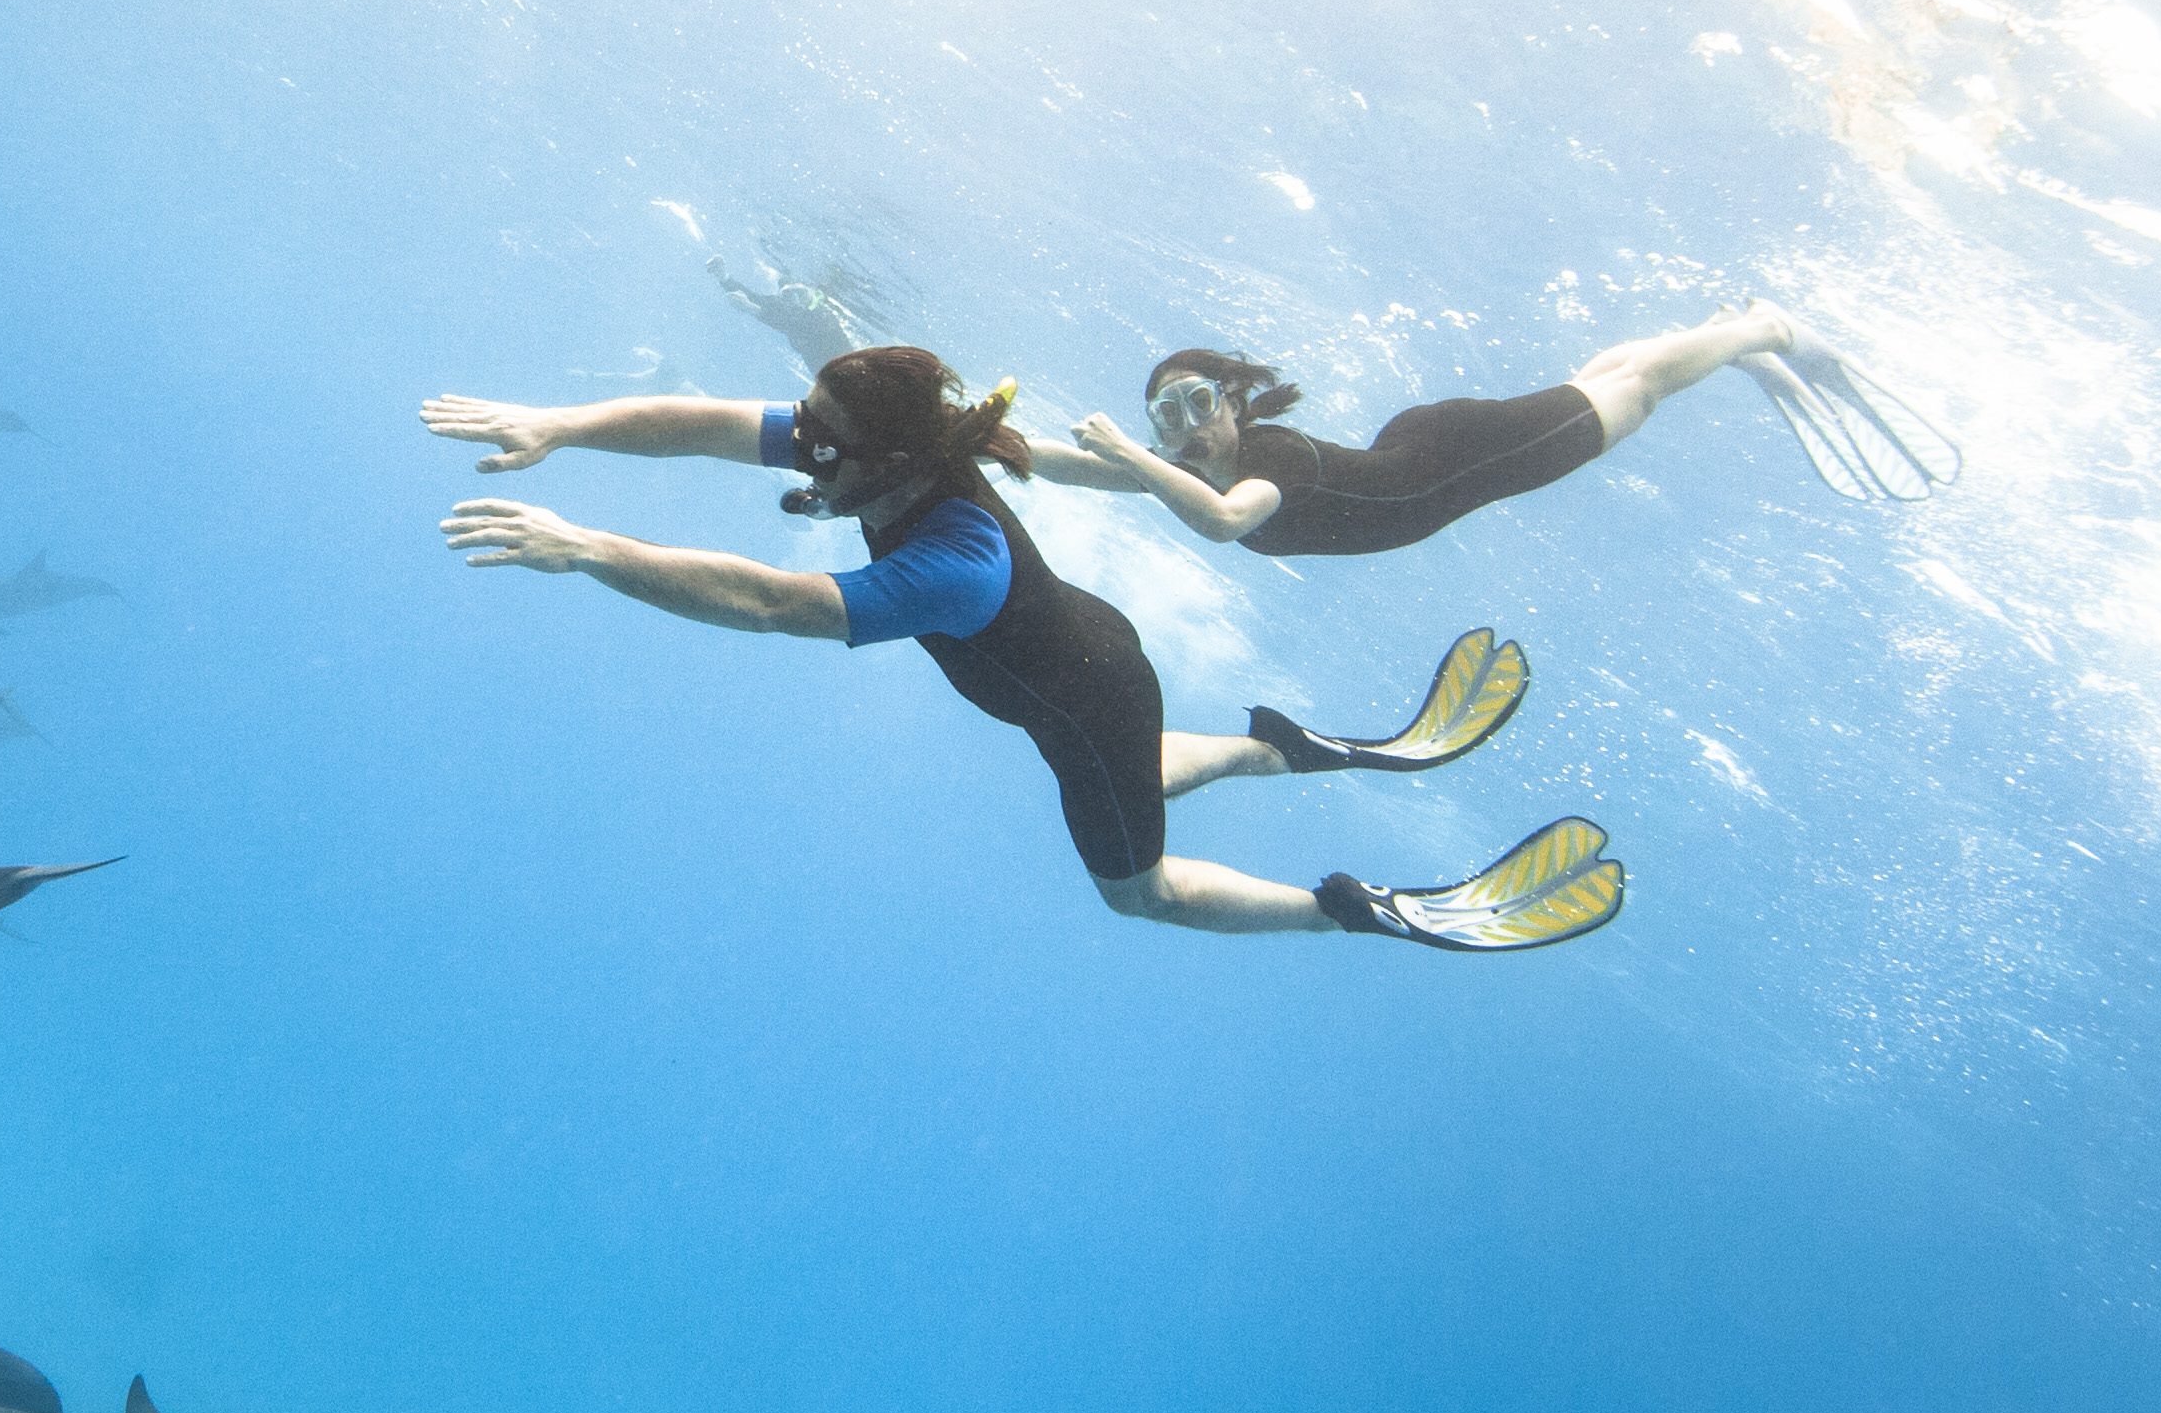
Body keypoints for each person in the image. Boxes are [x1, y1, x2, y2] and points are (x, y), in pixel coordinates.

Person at [420, 346, 1624, 949]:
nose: (799, 445)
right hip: (1090, 673)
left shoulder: (955, 558)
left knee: (1132, 889)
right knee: (1134, 767)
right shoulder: (871, 447)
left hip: (1085, 692)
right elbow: (699, 421)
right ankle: (1284, 750)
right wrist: (558, 426)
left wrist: (584, 545)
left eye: (820, 437)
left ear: (886, 454)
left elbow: (779, 605)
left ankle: (1351, 908)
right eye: (809, 426)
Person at [1032, 301, 1957, 556]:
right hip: (1423, 447)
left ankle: (1767, 327)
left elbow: (1229, 521)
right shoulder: (1187, 474)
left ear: (1236, 405)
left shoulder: (1263, 462)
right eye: (1167, 417)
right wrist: (968, 440)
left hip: (1455, 457)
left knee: (1632, 392)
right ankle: (1725, 340)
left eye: (1200, 400)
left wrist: (1128, 450)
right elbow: (1073, 468)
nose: (1187, 425)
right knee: (1604, 383)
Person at [707, 254, 877, 377]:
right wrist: (723, 277)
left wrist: (754, 310)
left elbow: (802, 328)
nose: (794, 301)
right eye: (788, 296)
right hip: (828, 376)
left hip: (847, 367)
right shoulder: (783, 310)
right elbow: (751, 296)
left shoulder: (821, 314)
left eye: (800, 294)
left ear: (812, 296)